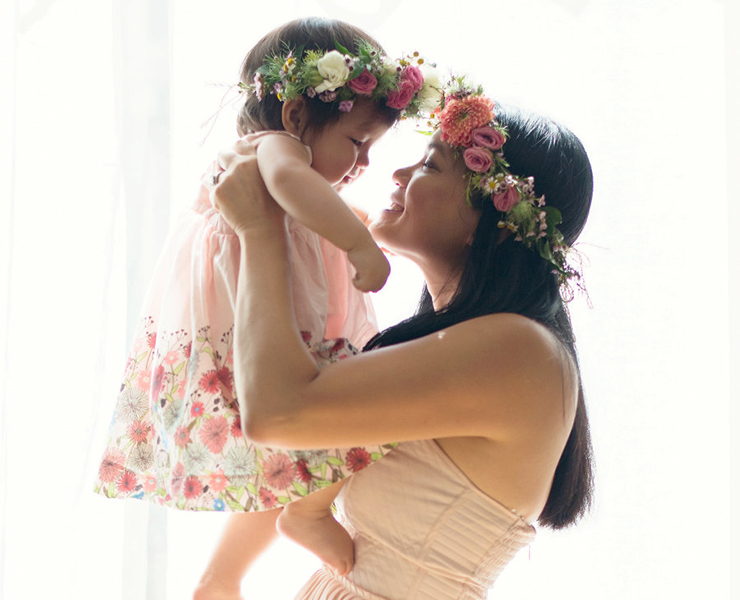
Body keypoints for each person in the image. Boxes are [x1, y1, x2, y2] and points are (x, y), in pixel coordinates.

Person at [93, 17, 438, 598]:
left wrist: (343, 222)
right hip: (263, 317)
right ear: (296, 116)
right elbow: (295, 185)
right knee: (340, 418)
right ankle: (300, 518)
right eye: (357, 143)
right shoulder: (275, 152)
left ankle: (223, 576)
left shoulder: (282, 166)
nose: (367, 163)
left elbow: (307, 196)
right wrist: (355, 244)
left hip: (263, 315)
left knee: (282, 459)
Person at [211, 77, 595, 598]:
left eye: (430, 165)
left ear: (494, 221)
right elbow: (311, 440)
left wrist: (261, 230)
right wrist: (220, 579)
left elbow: (279, 413)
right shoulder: (472, 343)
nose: (396, 172)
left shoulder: (518, 351)